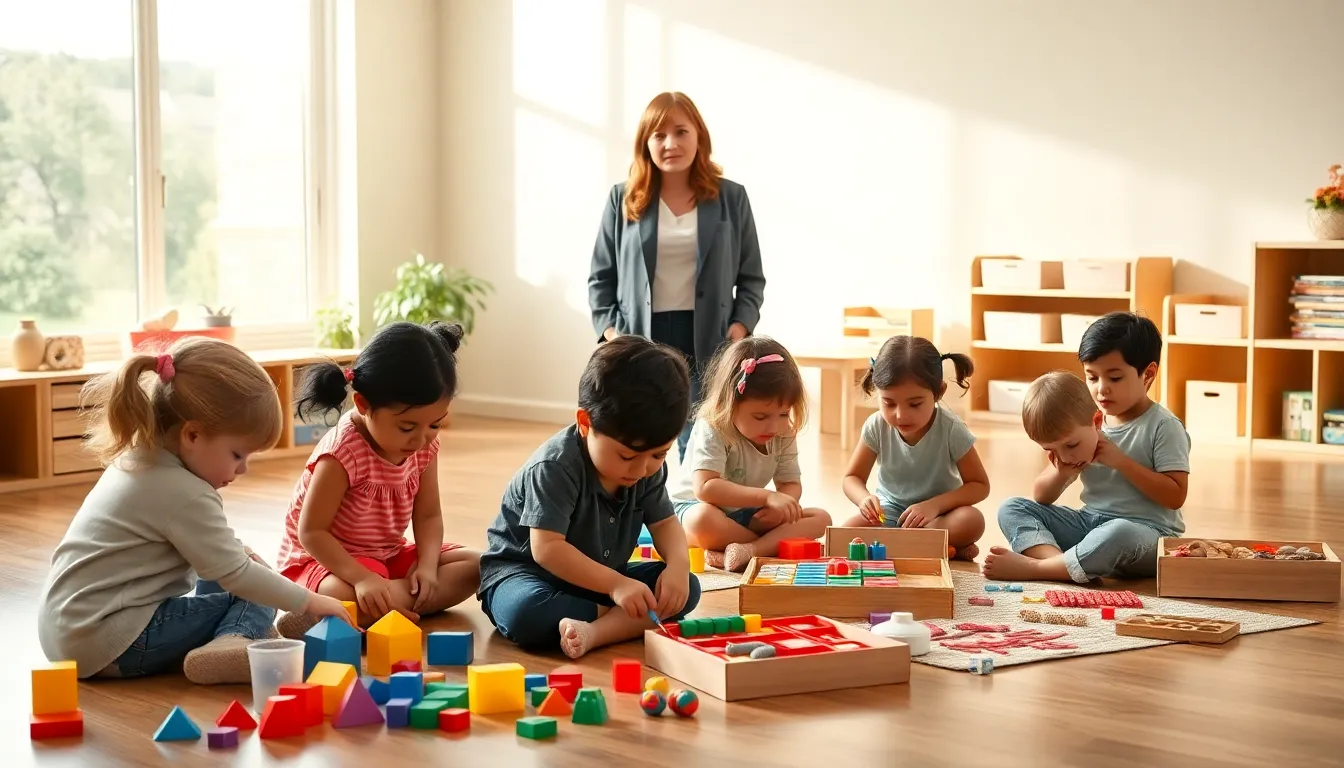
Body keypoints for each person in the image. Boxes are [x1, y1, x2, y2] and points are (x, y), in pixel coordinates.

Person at [37, 338, 353, 683]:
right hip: (111, 643)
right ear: (192, 435)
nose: (242, 469)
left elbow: (217, 559)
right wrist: (308, 601)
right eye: (237, 455)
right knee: (256, 593)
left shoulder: (137, 460)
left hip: (66, 637)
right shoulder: (186, 493)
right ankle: (233, 641)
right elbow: (238, 577)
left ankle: (225, 641)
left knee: (240, 563)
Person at [478, 336, 701, 659]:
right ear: (585, 423)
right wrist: (616, 586)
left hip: (597, 581)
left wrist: (678, 566)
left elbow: (665, 522)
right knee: (527, 612)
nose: (641, 469)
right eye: (626, 456)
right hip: (527, 575)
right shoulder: (555, 466)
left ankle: (594, 632)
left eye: (658, 454)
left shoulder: (648, 467)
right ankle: (620, 621)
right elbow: (547, 549)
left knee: (686, 590)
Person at [588, 91, 766, 461]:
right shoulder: (622, 199)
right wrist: (614, 335)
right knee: (639, 438)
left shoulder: (731, 198)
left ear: (698, 135)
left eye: (681, 131)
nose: (671, 143)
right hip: (640, 337)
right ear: (645, 143)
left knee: (701, 442)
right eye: (659, 135)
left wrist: (739, 328)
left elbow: (751, 278)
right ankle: (640, 516)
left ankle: (692, 516)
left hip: (709, 337)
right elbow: (600, 279)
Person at [274, 321, 480, 635]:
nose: (421, 439)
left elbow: (428, 515)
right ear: (363, 405)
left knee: (477, 565)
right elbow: (312, 533)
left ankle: (380, 605)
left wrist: (425, 568)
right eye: (407, 427)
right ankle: (367, 603)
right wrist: (362, 578)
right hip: (330, 563)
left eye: (435, 425)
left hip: (387, 556)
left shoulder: (424, 448)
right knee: (338, 594)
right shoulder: (341, 454)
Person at [984, 312, 1190, 583]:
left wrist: (1120, 461)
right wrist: (1061, 471)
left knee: (1118, 532)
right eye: (1092, 377)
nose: (1102, 389)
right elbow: (1042, 497)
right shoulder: (1085, 423)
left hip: (1146, 536)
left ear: (1148, 374)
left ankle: (1039, 569)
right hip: (1090, 524)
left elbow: (1175, 496)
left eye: (1114, 378)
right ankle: (1061, 565)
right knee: (1011, 508)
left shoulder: (1163, 426)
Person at [668, 336, 831, 572]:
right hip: (698, 507)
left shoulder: (784, 432)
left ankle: (746, 551)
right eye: (760, 417)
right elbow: (705, 487)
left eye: (784, 414)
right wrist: (766, 498)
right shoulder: (713, 426)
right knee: (702, 520)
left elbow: (790, 483)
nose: (774, 427)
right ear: (729, 404)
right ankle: (761, 547)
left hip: (747, 515)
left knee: (821, 518)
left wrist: (779, 507)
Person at [840, 336, 988, 560]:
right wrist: (863, 499)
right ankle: (939, 548)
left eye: (915, 403)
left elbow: (979, 485)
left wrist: (934, 506)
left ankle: (910, 545)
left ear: (938, 392)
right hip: (889, 513)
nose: (900, 415)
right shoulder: (876, 425)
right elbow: (852, 478)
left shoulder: (951, 429)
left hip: (938, 517)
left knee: (972, 521)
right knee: (847, 531)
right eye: (889, 403)